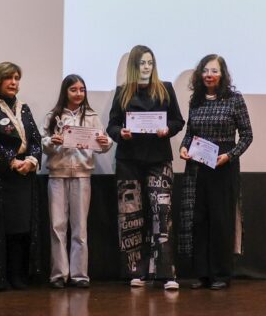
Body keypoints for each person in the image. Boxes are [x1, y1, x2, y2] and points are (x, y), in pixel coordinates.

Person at [107, 45, 185, 290]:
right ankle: (135, 272)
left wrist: (168, 130)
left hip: (159, 160)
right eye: (142, 63)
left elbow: (178, 120)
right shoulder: (122, 92)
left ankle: (166, 274)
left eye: (150, 62)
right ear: (134, 66)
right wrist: (121, 132)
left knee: (161, 215)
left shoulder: (166, 88)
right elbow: (112, 125)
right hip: (129, 161)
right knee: (130, 217)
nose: (147, 67)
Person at [178, 54, 252, 290]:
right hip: (198, 168)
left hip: (223, 166)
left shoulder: (234, 100)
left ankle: (221, 274)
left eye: (214, 71)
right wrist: (183, 147)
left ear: (223, 75)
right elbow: (190, 132)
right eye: (206, 71)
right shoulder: (196, 100)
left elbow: (247, 135)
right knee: (199, 220)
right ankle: (202, 274)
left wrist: (229, 156)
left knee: (221, 220)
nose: (209, 75)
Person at [0, 62, 43, 290]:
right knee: (1, 228)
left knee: (22, 229)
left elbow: (36, 140)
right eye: (9, 78)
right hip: (1, 178)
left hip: (25, 178)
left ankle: (18, 275)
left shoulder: (24, 108)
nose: (14, 82)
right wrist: (11, 161)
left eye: (16, 78)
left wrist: (32, 161)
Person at [42, 74, 112, 289]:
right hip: (57, 174)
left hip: (82, 175)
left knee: (80, 228)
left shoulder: (91, 116)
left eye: (82, 89)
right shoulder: (53, 115)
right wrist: (52, 141)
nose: (78, 93)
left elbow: (105, 142)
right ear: (66, 91)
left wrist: (104, 142)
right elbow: (42, 142)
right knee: (57, 226)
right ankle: (58, 275)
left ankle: (80, 275)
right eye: (74, 89)